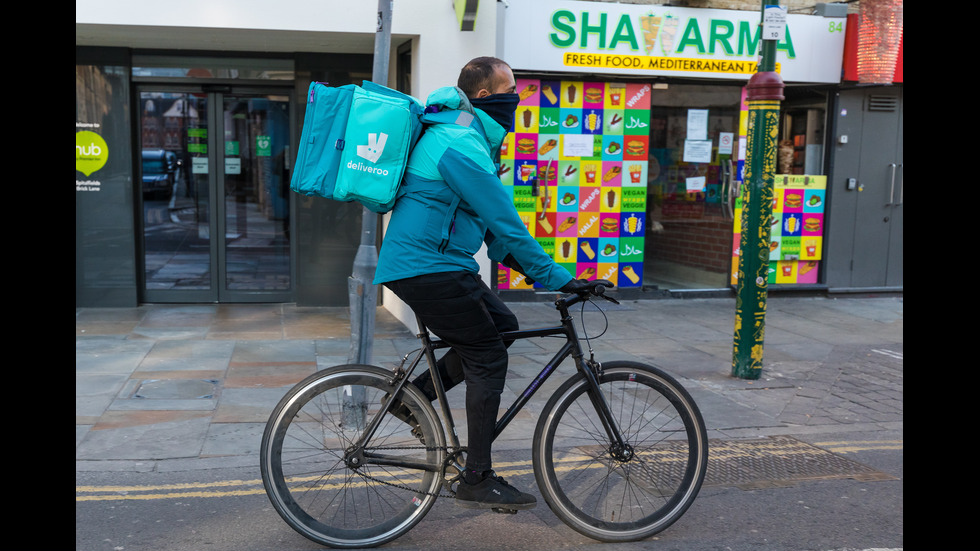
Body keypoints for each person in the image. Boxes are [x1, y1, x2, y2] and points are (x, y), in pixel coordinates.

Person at [374, 57, 594, 510]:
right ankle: (476, 477)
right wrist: (559, 277)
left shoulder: (464, 137)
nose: (517, 98)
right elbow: (505, 221)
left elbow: (493, 233)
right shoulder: (458, 142)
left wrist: (541, 275)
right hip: (427, 267)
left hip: (436, 265)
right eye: (510, 89)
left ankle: (412, 401)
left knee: (504, 326)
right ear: (483, 97)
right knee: (487, 356)